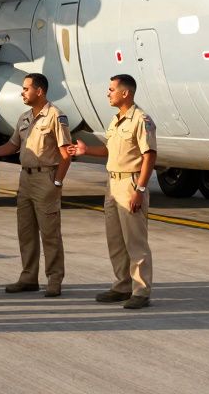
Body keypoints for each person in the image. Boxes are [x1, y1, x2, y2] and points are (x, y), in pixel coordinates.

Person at [68, 74, 157, 310]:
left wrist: (140, 189)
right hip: (112, 185)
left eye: (111, 89)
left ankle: (141, 291)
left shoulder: (141, 119)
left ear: (125, 93)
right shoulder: (116, 120)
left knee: (135, 241)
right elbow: (110, 151)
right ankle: (122, 286)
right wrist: (86, 150)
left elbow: (150, 155)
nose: (108, 93)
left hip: (130, 183)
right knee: (115, 240)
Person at [0, 73, 73, 297]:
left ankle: (54, 279)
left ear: (40, 91)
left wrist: (57, 181)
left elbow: (66, 154)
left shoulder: (56, 116)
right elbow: (13, 145)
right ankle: (28, 277)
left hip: (46, 178)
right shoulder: (24, 117)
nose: (22, 92)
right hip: (25, 179)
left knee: (50, 233)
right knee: (26, 231)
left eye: (26, 88)